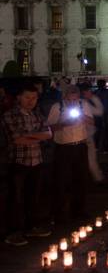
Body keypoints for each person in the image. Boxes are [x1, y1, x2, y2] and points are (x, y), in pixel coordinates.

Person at [2, 84, 52, 246]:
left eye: (34, 98)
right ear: (19, 98)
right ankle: (13, 232)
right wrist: (38, 136)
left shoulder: (36, 114)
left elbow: (48, 134)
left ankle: (32, 226)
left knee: (33, 196)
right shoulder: (10, 115)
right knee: (15, 199)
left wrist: (30, 136)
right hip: (18, 162)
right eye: (27, 97)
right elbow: (16, 140)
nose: (31, 101)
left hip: (36, 161)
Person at [47, 85, 93, 222]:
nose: (73, 102)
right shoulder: (57, 107)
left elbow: (92, 121)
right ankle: (58, 212)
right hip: (63, 148)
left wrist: (83, 117)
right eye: (70, 100)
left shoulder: (83, 105)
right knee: (60, 180)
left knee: (81, 179)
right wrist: (64, 124)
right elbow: (49, 127)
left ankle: (78, 210)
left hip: (80, 146)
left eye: (76, 99)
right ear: (64, 97)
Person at [80, 83, 104, 183]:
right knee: (90, 157)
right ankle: (98, 177)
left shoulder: (83, 103)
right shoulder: (84, 103)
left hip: (80, 135)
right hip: (85, 134)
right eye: (89, 91)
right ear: (85, 92)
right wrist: (93, 98)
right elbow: (99, 112)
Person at [95, 79, 108, 153]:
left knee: (98, 131)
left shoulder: (96, 92)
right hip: (107, 113)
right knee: (106, 131)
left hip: (98, 114)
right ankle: (105, 148)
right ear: (105, 84)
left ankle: (96, 146)